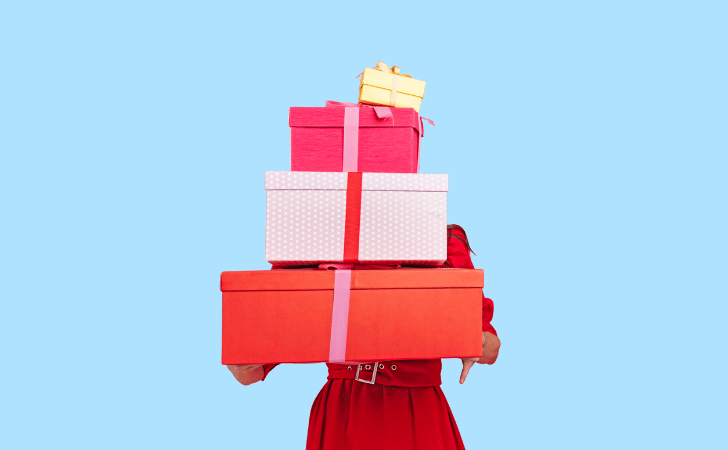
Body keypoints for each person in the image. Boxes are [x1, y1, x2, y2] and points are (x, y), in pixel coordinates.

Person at [227, 225, 501, 449]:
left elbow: (489, 346)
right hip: (345, 408)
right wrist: (243, 358)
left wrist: (475, 341)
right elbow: (249, 372)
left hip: (417, 408)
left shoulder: (439, 240)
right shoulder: (317, 244)